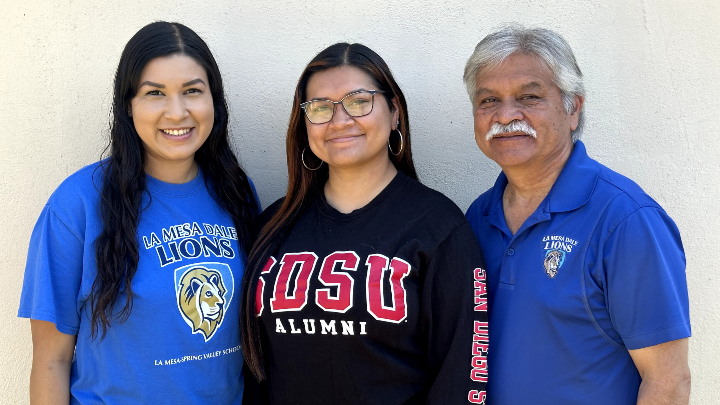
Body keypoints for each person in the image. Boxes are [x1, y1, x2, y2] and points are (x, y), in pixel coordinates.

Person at [18, 21, 258, 404]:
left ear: (214, 100)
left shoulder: (237, 193)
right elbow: (52, 360)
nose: (177, 112)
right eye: (155, 93)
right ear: (128, 106)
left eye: (192, 91)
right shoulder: (77, 204)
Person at [240, 43, 488, 404]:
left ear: (395, 111)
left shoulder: (439, 229)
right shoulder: (274, 226)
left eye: (358, 101)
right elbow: (253, 367)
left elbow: (462, 379)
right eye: (320, 108)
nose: (339, 121)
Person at [463, 25, 691, 404]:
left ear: (573, 109)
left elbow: (668, 382)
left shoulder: (626, 221)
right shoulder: (478, 215)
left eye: (530, 96)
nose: (505, 115)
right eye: (488, 100)